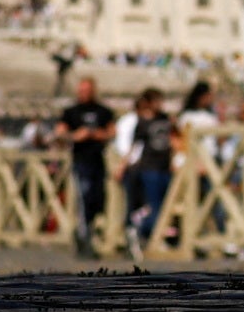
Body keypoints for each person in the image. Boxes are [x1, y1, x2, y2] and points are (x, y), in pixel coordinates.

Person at [55, 70, 117, 256]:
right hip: (80, 161)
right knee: (83, 197)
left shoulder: (103, 111)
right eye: (82, 90)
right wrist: (76, 136)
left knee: (97, 198)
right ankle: (84, 236)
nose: (84, 93)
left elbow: (113, 132)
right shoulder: (71, 112)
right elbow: (60, 132)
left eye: (87, 90)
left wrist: (100, 135)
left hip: (99, 161)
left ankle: (90, 232)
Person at [119, 90, 177, 258]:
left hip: (165, 167)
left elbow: (173, 140)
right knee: (154, 205)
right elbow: (135, 145)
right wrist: (123, 165)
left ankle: (150, 234)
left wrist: (174, 160)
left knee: (165, 204)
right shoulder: (142, 122)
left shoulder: (165, 119)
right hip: (149, 167)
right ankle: (143, 231)